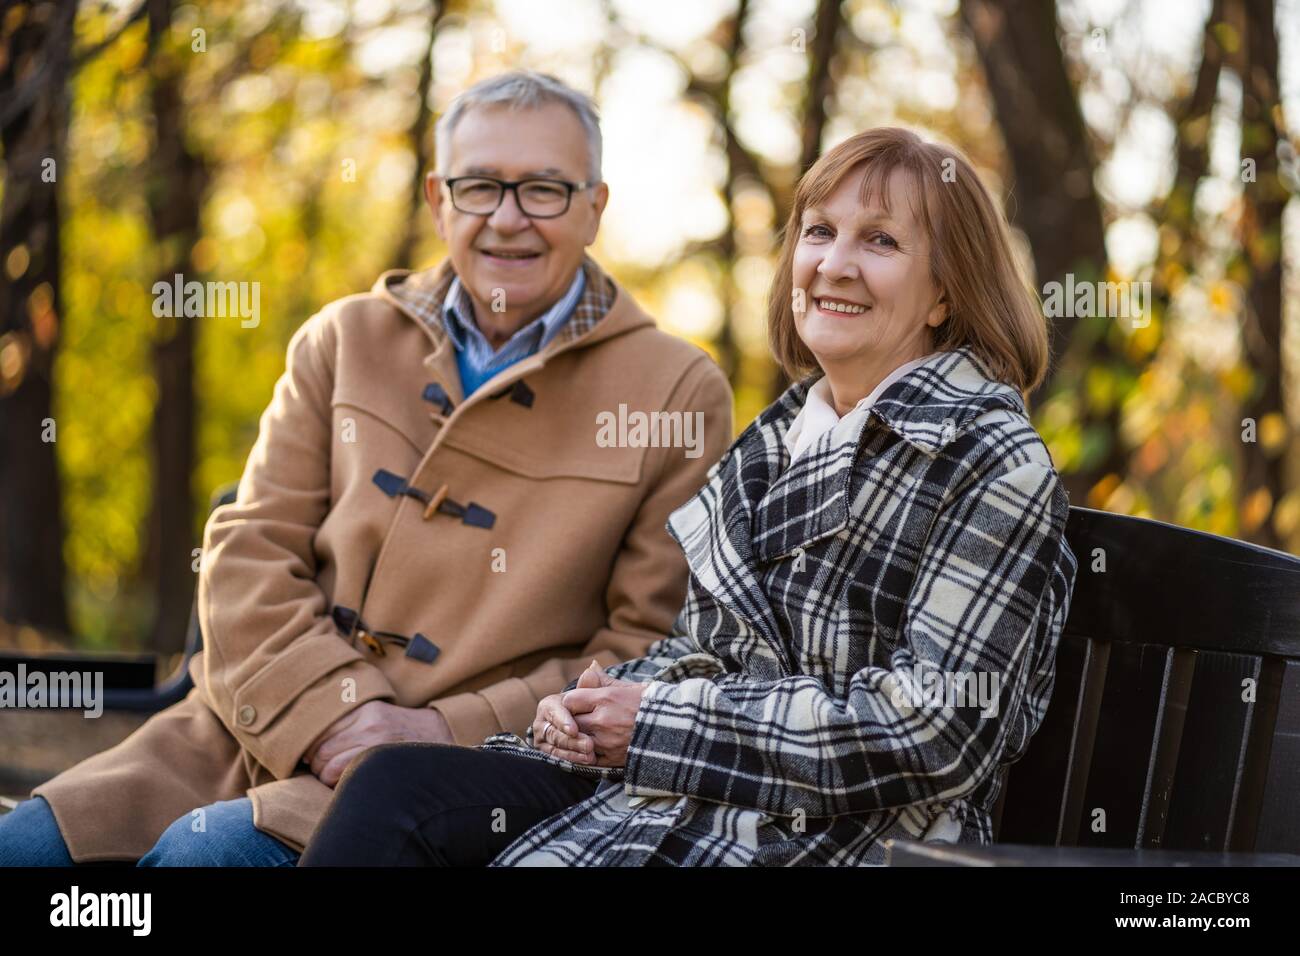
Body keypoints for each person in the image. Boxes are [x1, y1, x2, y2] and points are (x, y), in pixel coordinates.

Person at [0, 70, 732, 866]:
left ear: (595, 207)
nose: (508, 219)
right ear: (437, 199)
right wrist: (330, 709)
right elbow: (247, 553)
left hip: (442, 777)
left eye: (545, 190)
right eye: (480, 186)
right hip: (232, 726)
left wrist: (436, 731)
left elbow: (641, 648)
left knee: (200, 859)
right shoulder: (343, 338)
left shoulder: (675, 389)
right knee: (24, 851)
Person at [298, 125, 1080, 867]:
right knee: (396, 789)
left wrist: (660, 726)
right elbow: (707, 651)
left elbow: (932, 729)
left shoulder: (990, 461)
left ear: (946, 293)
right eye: (818, 232)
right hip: (697, 786)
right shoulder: (775, 441)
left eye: (880, 241)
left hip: (852, 832)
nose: (834, 264)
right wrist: (594, 706)